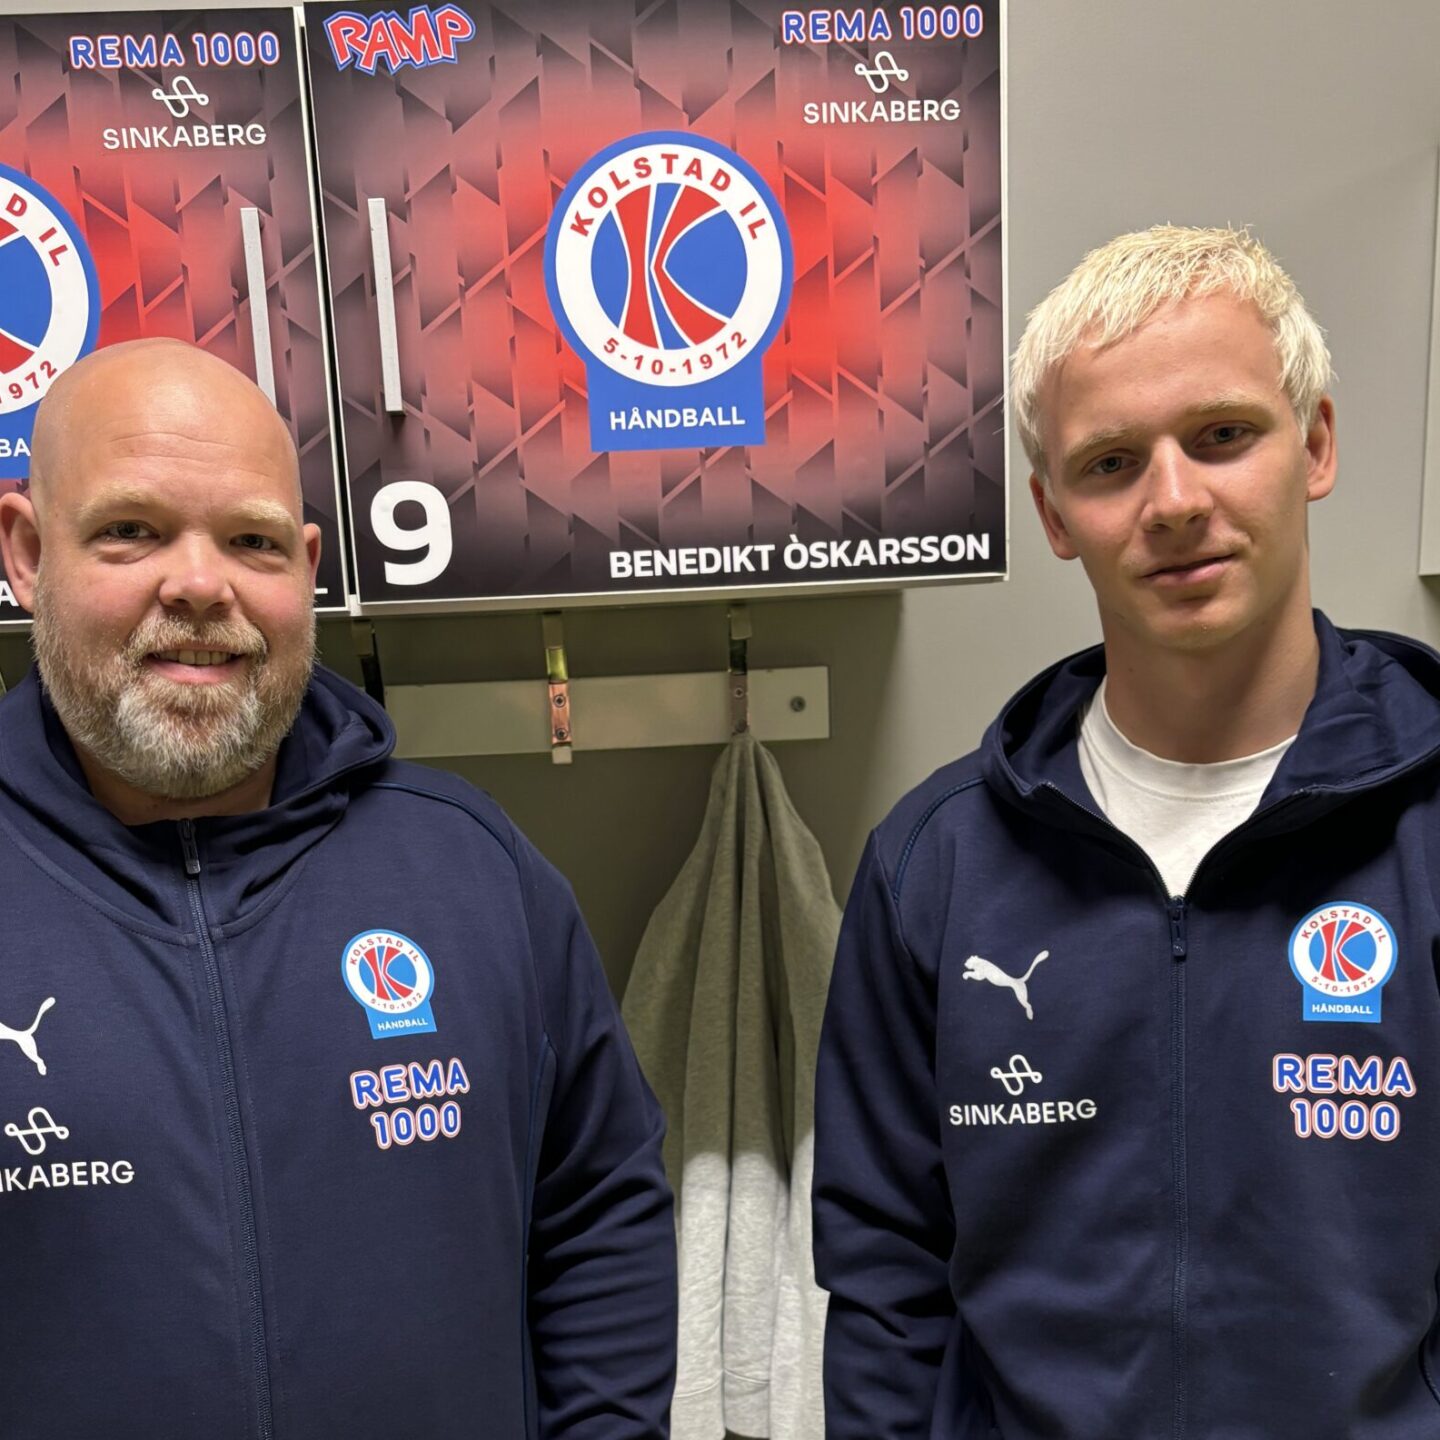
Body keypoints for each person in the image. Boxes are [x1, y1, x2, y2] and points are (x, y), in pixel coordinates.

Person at [813, 226, 1440, 1438]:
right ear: (1054, 513)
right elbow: (887, 1285)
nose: (1175, 502)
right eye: (1111, 463)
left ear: (1315, 444)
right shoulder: (935, 866)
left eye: (1222, 436)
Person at [0, 339, 677, 1438]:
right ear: (28, 552)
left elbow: (599, 1215)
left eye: (252, 540)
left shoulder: (473, 871)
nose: (200, 584)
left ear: (307, 568)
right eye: (131, 530)